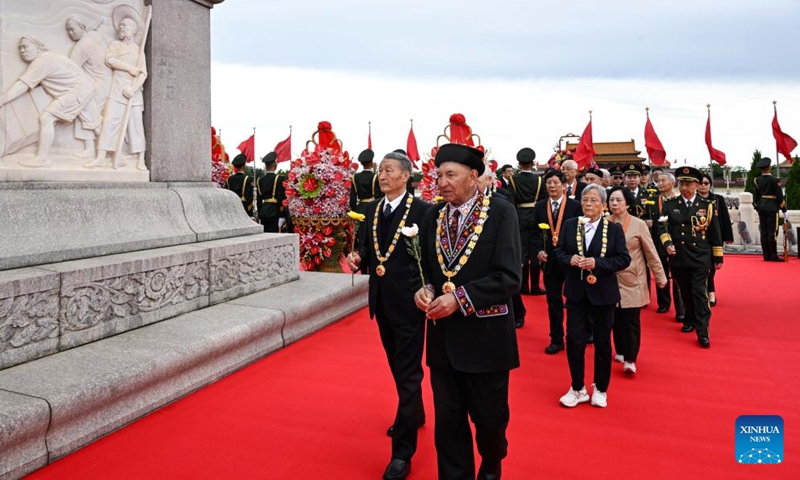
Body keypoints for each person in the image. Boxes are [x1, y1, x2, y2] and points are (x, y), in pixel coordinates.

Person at [414, 143, 521, 480]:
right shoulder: (433, 215)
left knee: (489, 423)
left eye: (451, 175)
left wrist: (459, 299)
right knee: (448, 424)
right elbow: (432, 272)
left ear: (473, 176)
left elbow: (508, 278)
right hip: (443, 342)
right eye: (439, 175)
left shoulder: (501, 212)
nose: (442, 182)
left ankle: (491, 466)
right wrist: (426, 289)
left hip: (486, 340)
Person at [346, 151, 429, 480]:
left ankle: (402, 454)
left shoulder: (423, 211)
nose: (382, 175)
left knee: (409, 373)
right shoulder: (371, 209)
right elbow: (369, 250)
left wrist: (430, 289)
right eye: (380, 170)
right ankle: (415, 411)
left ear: (406, 176)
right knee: (397, 364)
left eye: (389, 170)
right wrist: (357, 257)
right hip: (381, 302)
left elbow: (431, 260)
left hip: (410, 304)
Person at [555, 185, 630, 408]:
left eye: (594, 201)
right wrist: (569, 259)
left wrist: (598, 263)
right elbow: (558, 252)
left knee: (602, 341)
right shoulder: (570, 225)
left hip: (603, 293)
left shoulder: (614, 229)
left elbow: (623, 259)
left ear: (604, 205)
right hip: (577, 291)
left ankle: (601, 387)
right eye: (585, 200)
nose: (588, 204)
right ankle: (577, 387)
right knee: (575, 339)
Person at [0, 36, 101, 167]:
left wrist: (3, 99)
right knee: (93, 122)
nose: (22, 51)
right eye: (20, 48)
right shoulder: (49, 56)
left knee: (47, 118)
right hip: (85, 87)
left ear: (37, 47)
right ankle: (102, 151)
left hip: (76, 90)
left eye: (25, 47)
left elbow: (23, 85)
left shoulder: (41, 61)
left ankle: (41, 158)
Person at [658, 166, 723, 348]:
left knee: (699, 292)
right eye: (682, 183)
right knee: (684, 290)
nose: (685, 187)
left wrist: (717, 257)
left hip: (701, 255)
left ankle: (703, 331)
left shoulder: (707, 206)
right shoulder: (670, 205)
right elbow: (662, 227)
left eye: (689, 183)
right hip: (679, 255)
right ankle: (690, 317)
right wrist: (667, 243)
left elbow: (714, 233)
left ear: (696, 185)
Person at [608, 187, 666, 374]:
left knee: (631, 320)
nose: (614, 204)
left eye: (618, 200)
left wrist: (660, 276)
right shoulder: (604, 222)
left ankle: (631, 359)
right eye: (611, 200)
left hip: (633, 279)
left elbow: (650, 252)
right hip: (609, 278)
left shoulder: (638, 224)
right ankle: (621, 351)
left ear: (627, 203)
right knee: (615, 318)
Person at [86, 8, 148, 170]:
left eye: (125, 26)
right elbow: (110, 60)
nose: (121, 29)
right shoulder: (114, 45)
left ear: (133, 31)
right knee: (109, 122)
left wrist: (133, 89)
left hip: (133, 94)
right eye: (120, 26)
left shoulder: (138, 51)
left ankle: (140, 159)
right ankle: (101, 156)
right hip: (116, 90)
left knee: (135, 126)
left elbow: (143, 74)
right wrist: (129, 68)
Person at [532, 169, 582, 354]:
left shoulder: (575, 206)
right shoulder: (540, 206)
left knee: (575, 301)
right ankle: (556, 339)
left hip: (570, 261)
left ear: (564, 186)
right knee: (553, 302)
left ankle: (577, 336)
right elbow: (534, 233)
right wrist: (538, 250)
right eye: (549, 183)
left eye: (555, 183)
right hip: (550, 263)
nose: (552, 186)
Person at [65, 15, 111, 157]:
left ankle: (100, 147)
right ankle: (92, 148)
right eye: (68, 31)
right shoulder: (96, 35)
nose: (70, 33)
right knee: (91, 114)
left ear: (83, 27)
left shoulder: (81, 47)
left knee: (87, 113)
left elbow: (70, 69)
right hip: (108, 82)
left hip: (97, 86)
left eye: (72, 29)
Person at [647, 172, 685, 321]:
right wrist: (646, 221)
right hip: (657, 243)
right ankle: (663, 303)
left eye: (663, 181)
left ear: (672, 184)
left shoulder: (679, 201)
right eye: (658, 181)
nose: (660, 183)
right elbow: (644, 217)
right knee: (660, 274)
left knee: (677, 278)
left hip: (676, 244)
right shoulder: (652, 201)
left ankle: (681, 310)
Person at [509, 147, 545, 295]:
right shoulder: (539, 180)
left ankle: (523, 285)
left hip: (519, 216)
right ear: (533, 163)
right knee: (535, 251)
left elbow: (511, 200)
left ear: (519, 164)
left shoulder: (512, 179)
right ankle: (535, 286)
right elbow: (543, 200)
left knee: (522, 252)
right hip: (535, 216)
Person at [698, 173, 734, 305]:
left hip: (715, 238)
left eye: (706, 183)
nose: (703, 185)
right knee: (704, 266)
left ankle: (709, 290)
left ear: (710, 185)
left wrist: (728, 237)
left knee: (713, 265)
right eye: (700, 183)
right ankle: (710, 291)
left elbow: (724, 218)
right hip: (699, 237)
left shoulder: (717, 199)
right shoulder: (694, 199)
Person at [753, 157, 786, 262]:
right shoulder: (775, 180)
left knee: (764, 231)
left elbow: (756, 197)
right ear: (769, 168)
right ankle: (773, 255)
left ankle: (766, 255)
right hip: (772, 207)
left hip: (762, 207)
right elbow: (779, 196)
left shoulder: (757, 180)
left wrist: (758, 207)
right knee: (772, 231)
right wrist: (784, 208)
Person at [256, 152, 286, 233]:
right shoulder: (279, 178)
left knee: (265, 236)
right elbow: (281, 197)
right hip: (275, 211)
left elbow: (259, 200)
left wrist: (259, 213)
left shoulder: (260, 180)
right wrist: (282, 215)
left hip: (263, 211)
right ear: (274, 164)